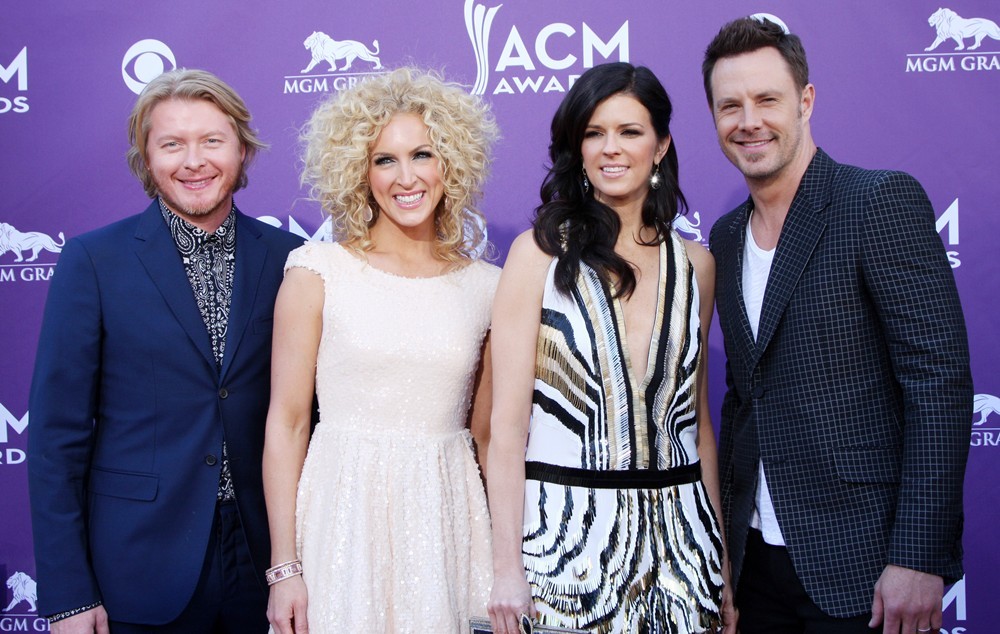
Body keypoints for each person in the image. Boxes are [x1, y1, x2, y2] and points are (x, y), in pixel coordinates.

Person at [702, 16, 972, 634]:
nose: (749, 120)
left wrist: (918, 556)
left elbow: (938, 386)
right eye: (730, 106)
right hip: (756, 564)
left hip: (866, 566)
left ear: (805, 101)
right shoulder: (726, 237)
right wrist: (724, 549)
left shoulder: (876, 202)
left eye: (767, 99)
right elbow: (745, 398)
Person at [27, 69, 303, 633]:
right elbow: (56, 438)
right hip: (139, 564)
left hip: (267, 561)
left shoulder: (291, 259)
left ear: (242, 150)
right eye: (172, 144)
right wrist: (69, 595)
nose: (194, 161)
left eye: (212, 141)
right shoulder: (94, 262)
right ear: (147, 159)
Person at [487, 62, 731, 634]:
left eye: (629, 131)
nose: (610, 148)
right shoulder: (538, 256)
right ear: (577, 148)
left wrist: (720, 567)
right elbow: (507, 429)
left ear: (661, 145)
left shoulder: (697, 265)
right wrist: (506, 568)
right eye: (594, 133)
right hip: (566, 553)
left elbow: (698, 427)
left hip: (686, 555)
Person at [262, 67, 500, 634]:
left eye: (422, 155)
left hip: (446, 520)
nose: (406, 177)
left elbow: (490, 436)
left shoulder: (487, 287)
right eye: (384, 160)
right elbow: (288, 424)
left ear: (451, 162)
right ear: (359, 172)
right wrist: (284, 568)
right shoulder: (317, 272)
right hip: (341, 521)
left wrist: (509, 557)